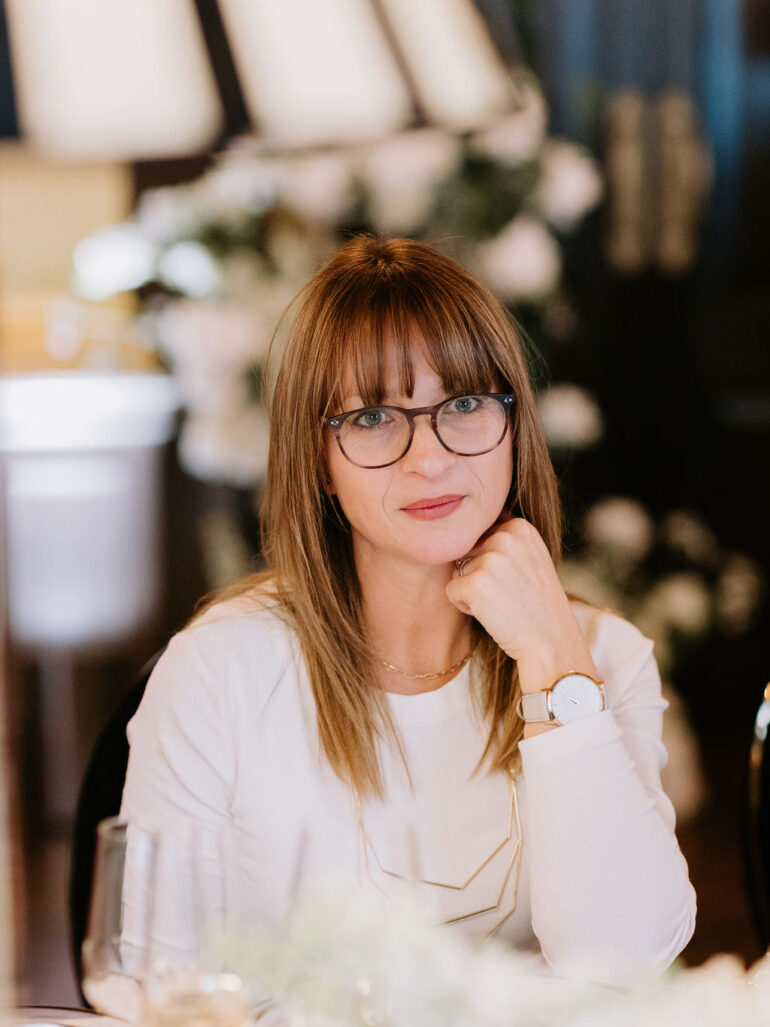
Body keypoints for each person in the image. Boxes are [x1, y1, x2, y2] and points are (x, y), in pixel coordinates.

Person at [121, 235, 695, 987]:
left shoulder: (601, 655)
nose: (430, 458)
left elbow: (625, 962)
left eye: (462, 404)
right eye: (371, 418)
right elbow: (151, 987)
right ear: (317, 462)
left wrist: (554, 656)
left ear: (514, 426)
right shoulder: (220, 670)